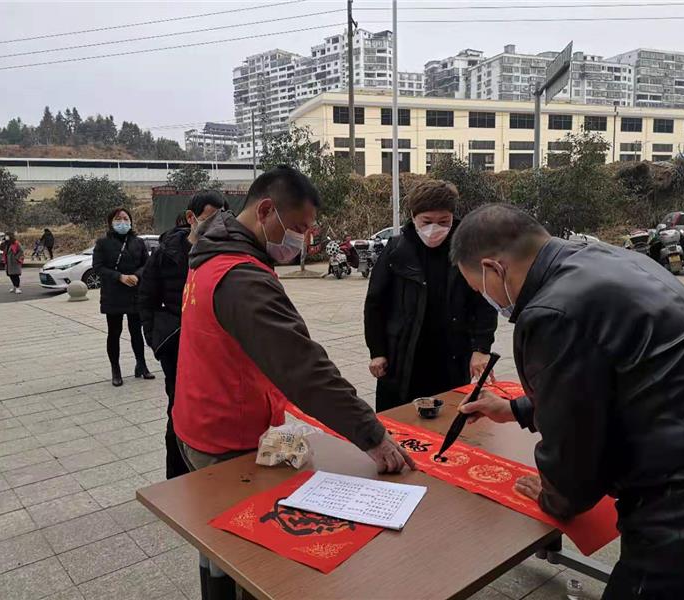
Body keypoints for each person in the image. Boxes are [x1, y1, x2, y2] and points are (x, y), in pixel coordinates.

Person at [450, 204, 684, 600]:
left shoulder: (552, 310)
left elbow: (574, 451)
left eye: (480, 289)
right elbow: (607, 382)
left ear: (493, 268)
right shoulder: (609, 259)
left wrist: (554, 497)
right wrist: (514, 408)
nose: (487, 299)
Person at [173, 166, 415, 600]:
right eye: (299, 228)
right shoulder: (240, 276)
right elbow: (304, 367)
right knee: (251, 557)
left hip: (203, 421)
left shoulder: (213, 254)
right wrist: (371, 435)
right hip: (226, 438)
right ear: (266, 210)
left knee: (218, 544)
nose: (303, 239)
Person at [364, 179, 497, 412]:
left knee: (451, 418)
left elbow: (485, 302)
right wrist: (378, 352)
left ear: (452, 217)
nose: (434, 228)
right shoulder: (396, 251)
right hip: (403, 358)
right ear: (414, 216)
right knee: (398, 422)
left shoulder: (467, 252)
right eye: (426, 221)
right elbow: (375, 304)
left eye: (443, 222)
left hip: (452, 358)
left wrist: (481, 349)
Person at [138, 190, 227, 480]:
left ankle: (209, 473)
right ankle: (176, 479)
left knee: (211, 410)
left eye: (223, 218)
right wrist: (156, 339)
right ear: (191, 217)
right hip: (176, 346)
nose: (217, 225)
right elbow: (146, 299)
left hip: (212, 348)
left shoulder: (223, 253)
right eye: (210, 218)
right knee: (178, 410)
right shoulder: (166, 253)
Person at [92, 207, 154, 387]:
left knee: (136, 331)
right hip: (113, 294)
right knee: (114, 332)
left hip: (134, 291)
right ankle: (116, 369)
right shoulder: (103, 243)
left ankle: (141, 365)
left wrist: (137, 275)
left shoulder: (138, 242)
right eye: (118, 219)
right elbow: (98, 267)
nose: (123, 222)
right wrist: (119, 277)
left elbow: (146, 264)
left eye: (126, 219)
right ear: (111, 222)